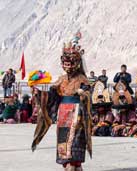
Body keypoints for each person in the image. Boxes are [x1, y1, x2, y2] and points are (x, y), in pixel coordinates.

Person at [31, 32, 92, 171]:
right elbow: (52, 95)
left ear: (76, 63)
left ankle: (74, 164)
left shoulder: (82, 78)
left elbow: (88, 93)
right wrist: (39, 93)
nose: (68, 66)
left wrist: (83, 94)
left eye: (70, 63)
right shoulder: (61, 79)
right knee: (64, 142)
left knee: (75, 143)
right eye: (65, 64)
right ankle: (69, 164)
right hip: (63, 116)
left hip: (78, 115)